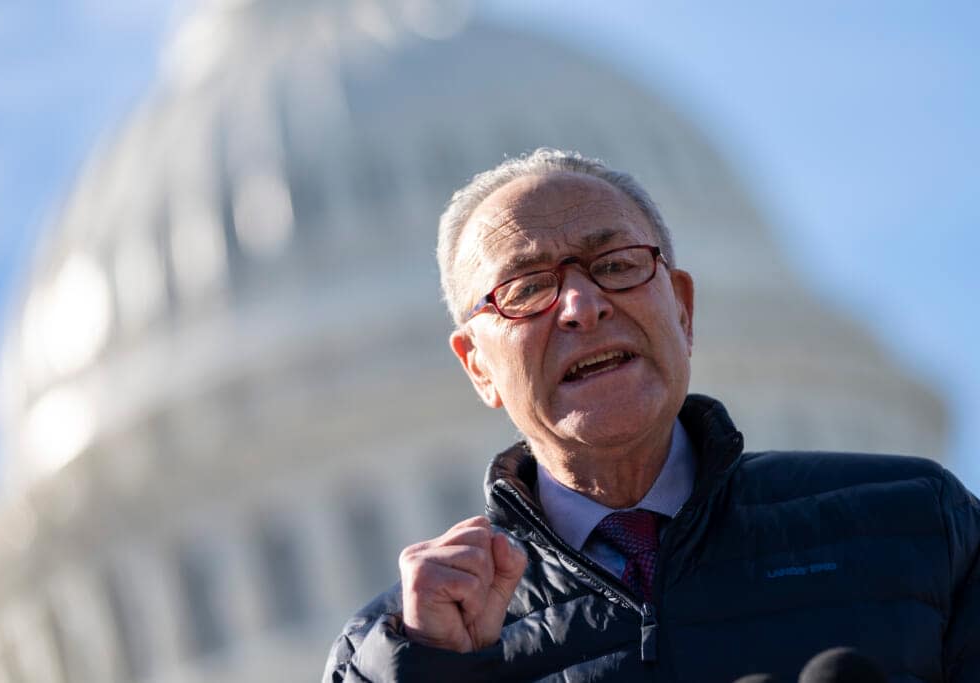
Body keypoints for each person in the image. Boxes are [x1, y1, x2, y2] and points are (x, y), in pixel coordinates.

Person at [323, 148, 980, 682]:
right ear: (478, 366)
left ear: (684, 311)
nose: (581, 304)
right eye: (526, 289)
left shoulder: (917, 526)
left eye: (616, 265)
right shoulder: (391, 655)